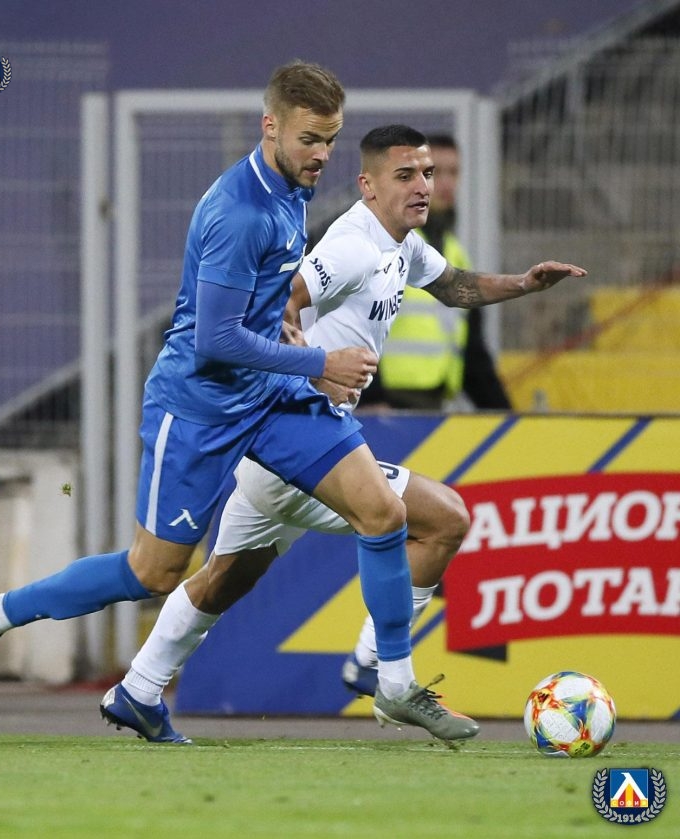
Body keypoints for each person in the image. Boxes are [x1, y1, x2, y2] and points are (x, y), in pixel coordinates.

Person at [0, 62, 433, 745]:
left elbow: (265, 305)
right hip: (199, 407)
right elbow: (215, 339)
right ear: (270, 127)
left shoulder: (291, 188)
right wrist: (319, 362)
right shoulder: (240, 212)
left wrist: (291, 338)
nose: (322, 154)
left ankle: (393, 681)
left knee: (383, 511)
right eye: (309, 139)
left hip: (267, 396)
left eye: (330, 139)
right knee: (153, 571)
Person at [100, 124, 586, 742]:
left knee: (226, 578)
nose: (423, 186)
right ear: (368, 184)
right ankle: (379, 669)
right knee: (441, 519)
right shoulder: (352, 245)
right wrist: (315, 368)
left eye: (427, 173)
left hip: (279, 444)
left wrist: (523, 283)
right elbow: (283, 300)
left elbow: (454, 286)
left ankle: (139, 688)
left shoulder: (402, 245)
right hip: (300, 438)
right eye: (406, 175)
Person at [379, 135, 512, 410]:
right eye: (433, 173)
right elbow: (352, 327)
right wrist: (370, 398)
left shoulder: (455, 253)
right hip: (384, 406)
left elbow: (473, 354)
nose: (446, 183)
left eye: (454, 172)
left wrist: (509, 417)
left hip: (432, 407)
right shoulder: (387, 244)